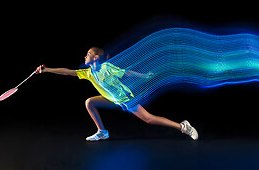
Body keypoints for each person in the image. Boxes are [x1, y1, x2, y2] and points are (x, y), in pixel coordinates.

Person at [36, 47, 198, 141]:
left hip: (124, 98)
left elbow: (126, 72)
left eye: (88, 53)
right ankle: (102, 132)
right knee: (89, 102)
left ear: (96, 57)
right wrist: (46, 70)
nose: (85, 56)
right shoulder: (88, 73)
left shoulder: (107, 68)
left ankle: (183, 126)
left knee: (148, 119)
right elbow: (67, 72)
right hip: (111, 99)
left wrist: (144, 76)